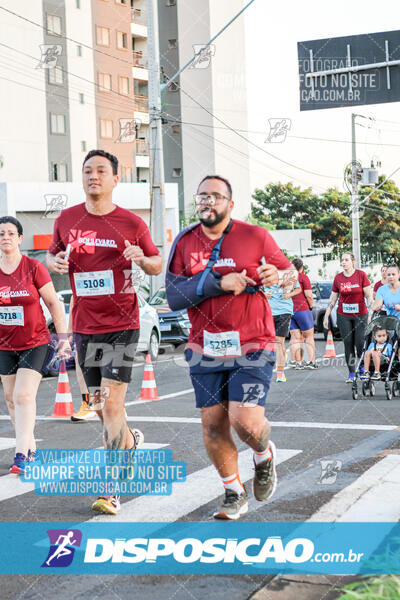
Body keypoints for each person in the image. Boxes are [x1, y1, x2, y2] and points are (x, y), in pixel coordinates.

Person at [166, 175, 297, 520]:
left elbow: (291, 278)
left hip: (253, 341)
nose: (209, 202)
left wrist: (279, 277)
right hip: (205, 347)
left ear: (230, 203)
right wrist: (216, 283)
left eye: (216, 196)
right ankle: (233, 492)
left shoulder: (255, 236)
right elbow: (174, 296)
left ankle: (264, 454)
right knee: (212, 424)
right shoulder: (183, 242)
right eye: (202, 196)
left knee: (246, 422)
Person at [46, 149, 162, 515]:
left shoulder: (131, 223)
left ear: (115, 179)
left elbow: (157, 262)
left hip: (121, 325)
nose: (93, 176)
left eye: (101, 171)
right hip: (83, 325)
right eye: (87, 171)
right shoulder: (66, 219)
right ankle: (129, 441)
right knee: (97, 406)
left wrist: (140, 258)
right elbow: (51, 255)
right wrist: (56, 261)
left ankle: (110, 489)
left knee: (113, 403)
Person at [0, 216, 70, 474]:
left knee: (23, 395)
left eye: (10, 233)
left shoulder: (33, 268)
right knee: (10, 399)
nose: (5, 237)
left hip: (36, 342)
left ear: (19, 238)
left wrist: (62, 339)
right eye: (1, 234)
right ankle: (30, 449)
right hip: (4, 345)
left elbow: (54, 303)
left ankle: (21, 456)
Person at [324, 252, 372, 383]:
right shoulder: (338, 278)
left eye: (346, 260)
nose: (343, 262)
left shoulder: (361, 275)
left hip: (361, 314)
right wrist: (327, 314)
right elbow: (333, 298)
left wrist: (371, 311)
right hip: (343, 315)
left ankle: (362, 367)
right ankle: (351, 372)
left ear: (352, 261)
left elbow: (368, 295)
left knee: (360, 342)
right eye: (342, 260)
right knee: (348, 343)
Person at [264, 282, 301, 382]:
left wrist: (289, 294)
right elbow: (255, 289)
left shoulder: (288, 272)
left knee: (279, 341)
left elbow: (298, 289)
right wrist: (263, 294)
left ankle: (280, 373)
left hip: (284, 311)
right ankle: (282, 356)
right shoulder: (264, 272)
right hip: (268, 311)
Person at [68, 295, 96, 422]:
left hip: (106, 326)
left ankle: (114, 403)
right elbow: (74, 299)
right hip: (82, 327)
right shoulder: (79, 276)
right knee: (80, 362)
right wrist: (69, 331)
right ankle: (87, 404)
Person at [289, 258, 317, 370]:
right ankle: (312, 361)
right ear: (302, 267)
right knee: (309, 336)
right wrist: (311, 306)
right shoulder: (303, 277)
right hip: (303, 309)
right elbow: (309, 295)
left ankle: (298, 363)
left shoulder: (287, 278)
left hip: (290, 310)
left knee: (295, 338)